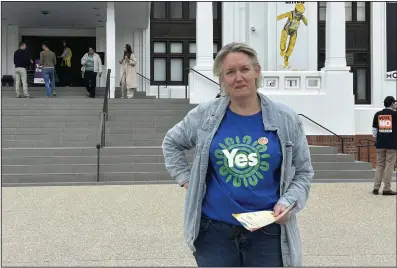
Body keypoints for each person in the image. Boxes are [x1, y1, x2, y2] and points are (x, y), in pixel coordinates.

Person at [162, 42, 314, 267]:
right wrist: (188, 181)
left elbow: (303, 172)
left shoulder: (286, 119)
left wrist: (289, 202)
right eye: (230, 72)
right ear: (222, 79)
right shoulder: (206, 115)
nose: (238, 77)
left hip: (267, 234)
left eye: (244, 69)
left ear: (257, 72)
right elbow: (171, 142)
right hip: (214, 233)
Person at [372, 96, 397, 195]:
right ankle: (386, 188)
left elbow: (374, 131)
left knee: (379, 165)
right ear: (392, 104)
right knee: (389, 166)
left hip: (380, 143)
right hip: (392, 144)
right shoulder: (395, 114)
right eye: (394, 103)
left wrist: (379, 138)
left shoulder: (377, 114)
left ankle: (376, 188)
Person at [277, 3, 307, 68]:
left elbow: (307, 22)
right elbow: (282, 15)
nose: (297, 14)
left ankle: (286, 57)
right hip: (286, 29)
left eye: (299, 13)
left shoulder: (301, 17)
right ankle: (282, 50)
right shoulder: (290, 13)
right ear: (295, 10)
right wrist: (276, 18)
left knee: (291, 45)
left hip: (294, 31)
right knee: (283, 40)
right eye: (297, 12)